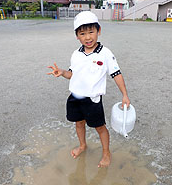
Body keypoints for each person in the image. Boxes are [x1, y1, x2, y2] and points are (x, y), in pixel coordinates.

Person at [47, 11, 130, 167]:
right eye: (82, 33)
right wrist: (62, 72)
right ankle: (83, 145)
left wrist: (124, 95)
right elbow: (72, 74)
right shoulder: (76, 54)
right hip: (75, 97)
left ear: (99, 31)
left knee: (100, 127)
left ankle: (106, 153)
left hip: (92, 99)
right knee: (78, 124)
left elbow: (116, 74)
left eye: (91, 32)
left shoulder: (105, 53)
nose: (87, 37)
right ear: (77, 36)